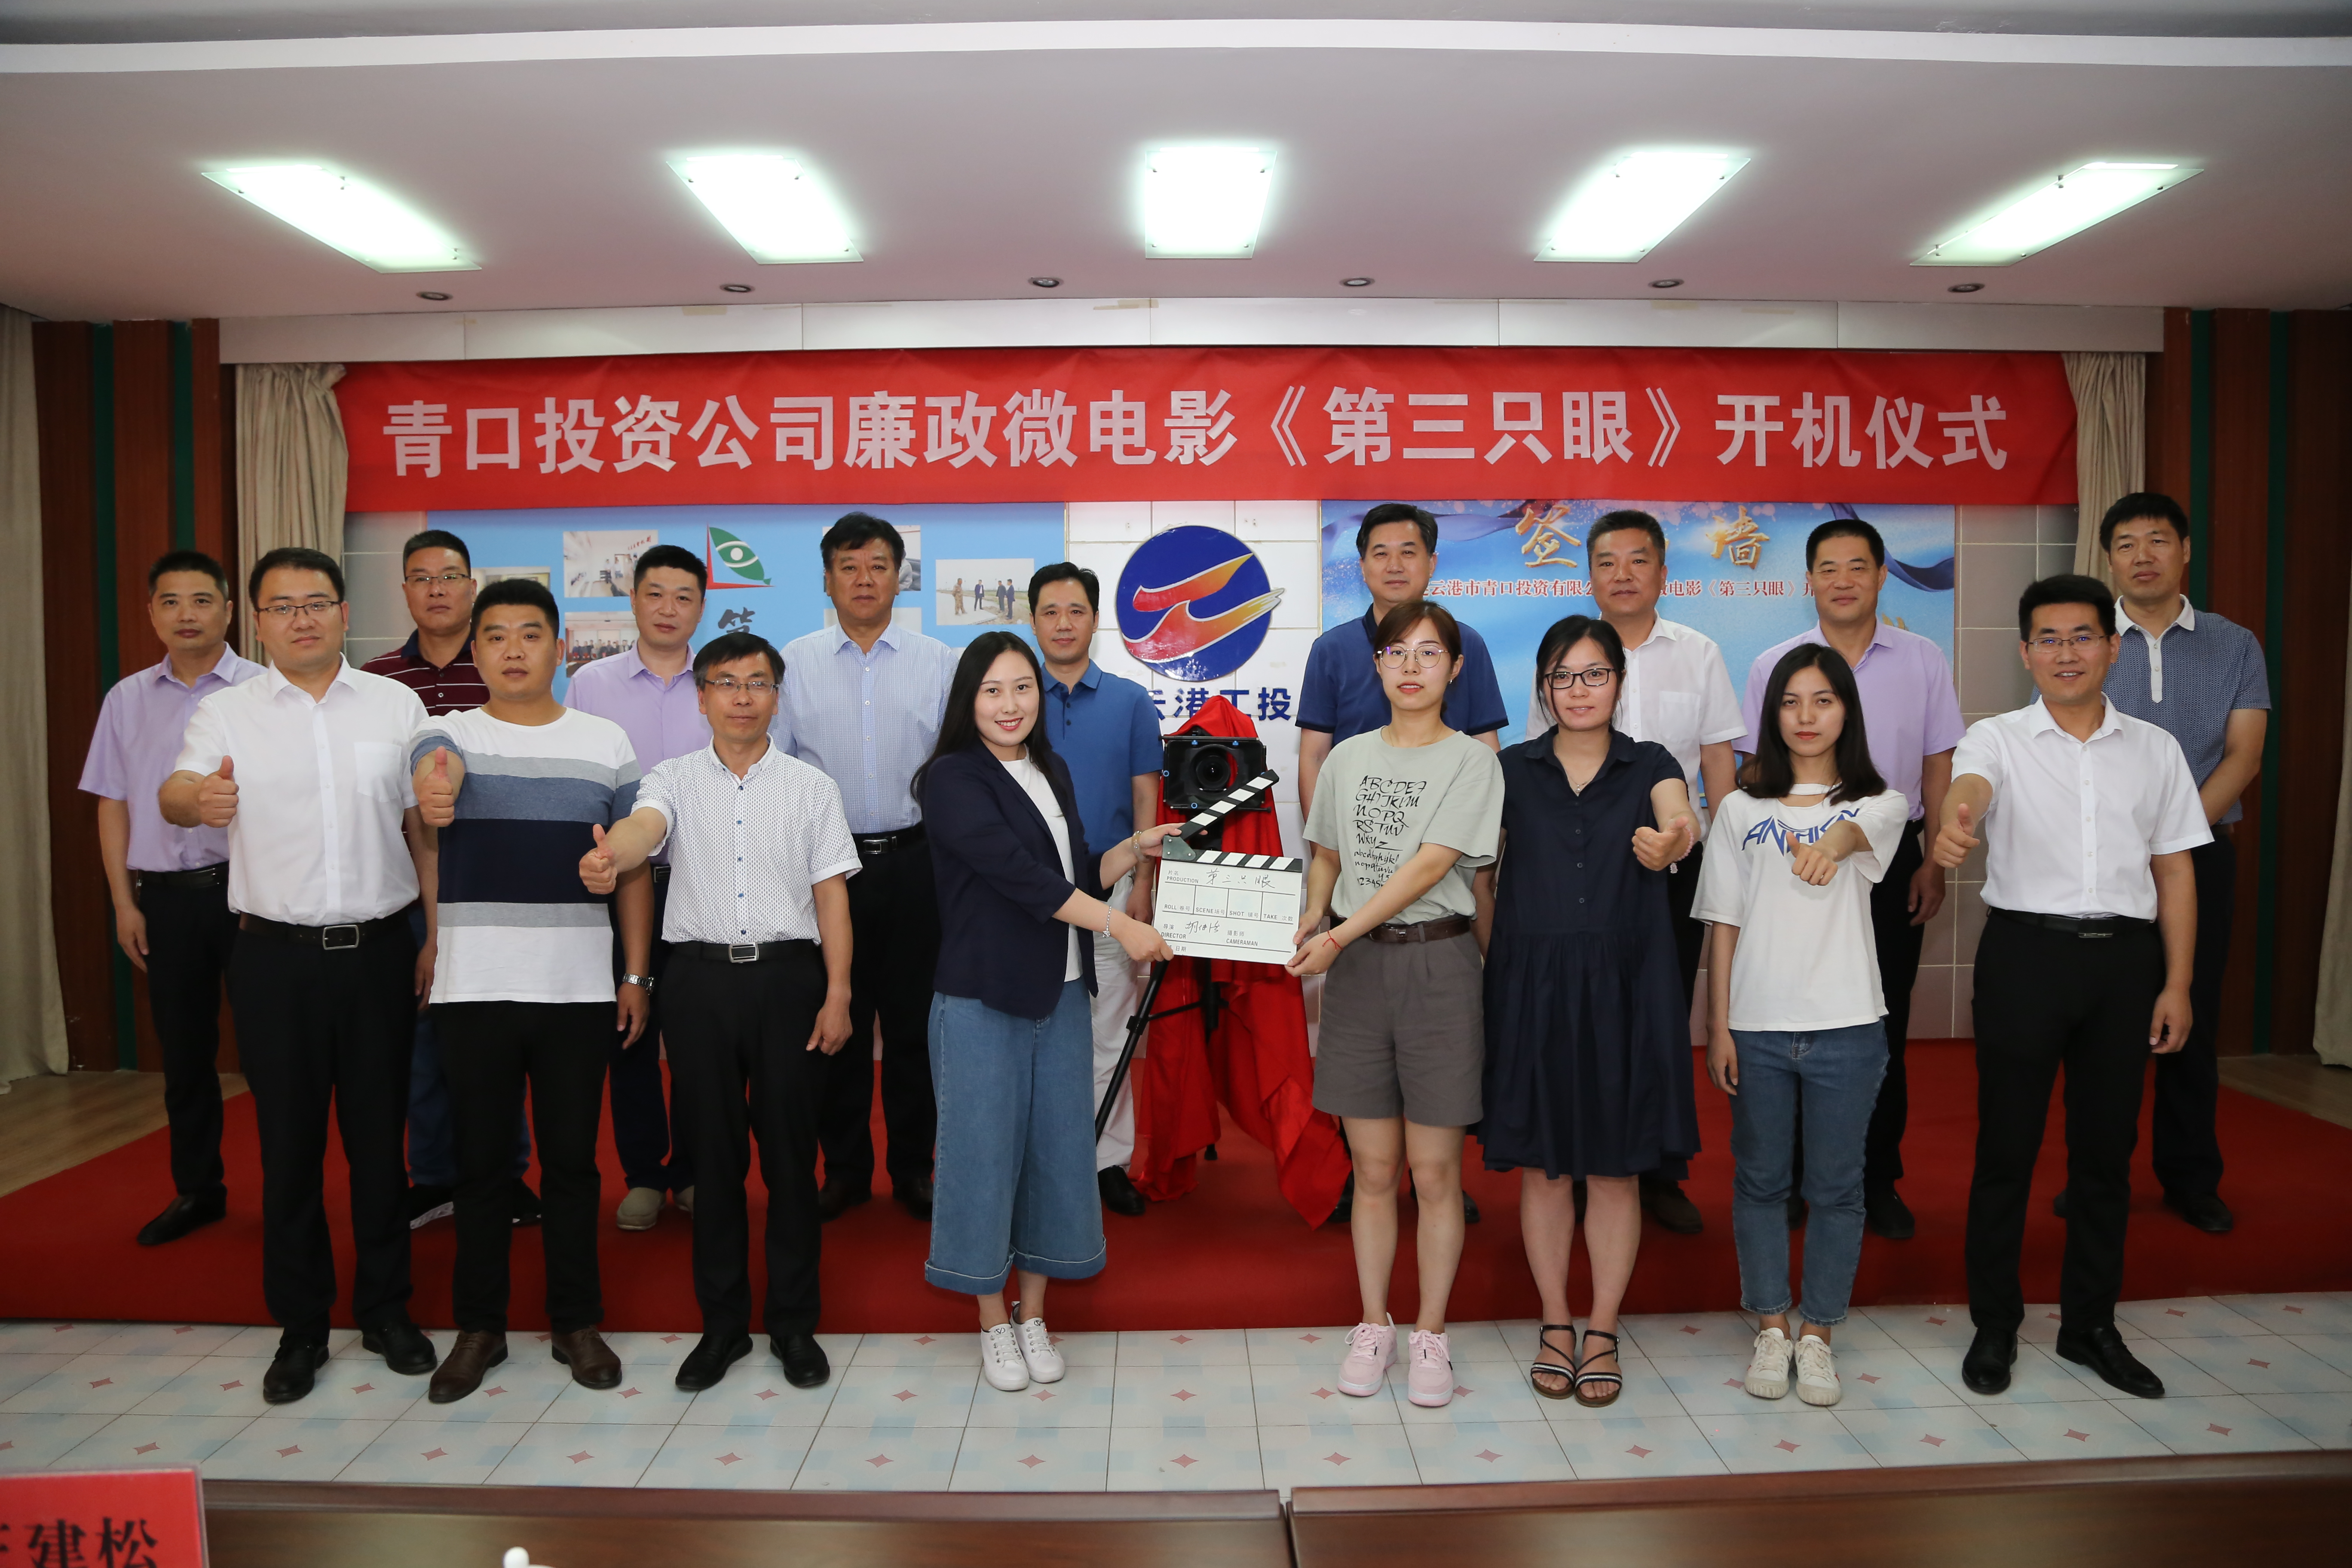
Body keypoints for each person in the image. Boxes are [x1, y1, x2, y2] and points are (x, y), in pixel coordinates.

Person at [159, 546, 439, 1403]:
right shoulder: (227, 713)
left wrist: (437, 934)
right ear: (258, 623)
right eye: (282, 607)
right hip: (273, 960)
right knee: (289, 1149)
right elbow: (176, 790)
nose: (301, 619)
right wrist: (196, 801)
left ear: (345, 614)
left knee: (379, 1145)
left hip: (381, 952)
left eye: (316, 603)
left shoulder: (395, 704)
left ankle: (386, 1310)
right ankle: (302, 1327)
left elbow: (422, 830)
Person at [1936, 575, 2207, 1402]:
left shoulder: (2155, 749)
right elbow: (1971, 786)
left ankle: (2091, 1325)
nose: (2066, 653)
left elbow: (2175, 870)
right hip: (2026, 957)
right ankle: (1995, 1323)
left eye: (2082, 636)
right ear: (2025, 652)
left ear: (2112, 648)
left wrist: (2178, 983)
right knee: (2006, 1150)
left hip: (2126, 966)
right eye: (2048, 639)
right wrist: (1958, 817)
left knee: (2105, 1155)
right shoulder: (1997, 738)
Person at [580, 630, 856, 1392]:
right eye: (726, 683)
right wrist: (614, 854)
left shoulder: (812, 788)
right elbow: (645, 829)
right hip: (698, 985)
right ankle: (724, 1326)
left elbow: (832, 895)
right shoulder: (671, 777)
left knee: (792, 1162)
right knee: (713, 1159)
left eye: (757, 682)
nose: (742, 697)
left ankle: (794, 1324)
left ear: (777, 697)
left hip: (790, 981)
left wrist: (838, 991)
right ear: (701, 697)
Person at [917, 631, 1181, 1392]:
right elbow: (1021, 880)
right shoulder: (950, 779)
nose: (1011, 705)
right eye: (993, 690)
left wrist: (1135, 847)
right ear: (969, 700)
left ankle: (1032, 1313)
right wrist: (1122, 926)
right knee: (981, 1161)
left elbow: (1074, 875)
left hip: (1062, 994)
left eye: (1023, 688)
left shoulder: (1050, 769)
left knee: (1057, 1158)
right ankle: (991, 1321)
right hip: (983, 999)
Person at [407, 579, 646, 1403]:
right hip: (475, 990)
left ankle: (576, 1322)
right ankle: (481, 1328)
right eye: (497, 635)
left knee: (574, 1166)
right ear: (475, 649)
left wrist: (635, 972)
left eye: (531, 634)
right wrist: (434, 792)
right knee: (481, 1169)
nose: (514, 650)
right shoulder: (447, 733)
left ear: (560, 648)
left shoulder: (605, 741)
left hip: (576, 991)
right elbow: (429, 781)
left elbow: (632, 867)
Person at [1475, 614, 1695, 1409]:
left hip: (1625, 985)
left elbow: (1680, 818)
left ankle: (1602, 1327)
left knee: (1614, 1166)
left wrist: (1673, 842)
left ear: (1618, 684)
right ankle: (1555, 1321)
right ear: (1543, 688)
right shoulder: (1509, 769)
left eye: (1595, 674)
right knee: (1544, 1167)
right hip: (1531, 984)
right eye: (1563, 676)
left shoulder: (1651, 762)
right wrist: (1504, 962)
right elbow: (1481, 879)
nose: (1579, 690)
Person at [1289, 600, 1503, 1410]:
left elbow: (1429, 867)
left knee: (1435, 1172)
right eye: (1396, 653)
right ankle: (1373, 1322)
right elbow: (1326, 854)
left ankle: (1431, 1334)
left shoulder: (1473, 762)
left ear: (1455, 667)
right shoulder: (1346, 758)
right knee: (1374, 1170)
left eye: (1429, 653)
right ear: (1376, 665)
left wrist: (1338, 935)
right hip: (1357, 976)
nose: (1411, 667)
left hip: (1438, 966)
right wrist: (1315, 914)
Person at [1696, 645, 1909, 1410]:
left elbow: (1857, 838)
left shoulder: (1879, 801)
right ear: (1772, 714)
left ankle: (1818, 1333)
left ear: (1847, 710)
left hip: (1847, 1026)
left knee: (1837, 1187)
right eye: (1791, 702)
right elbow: (1722, 922)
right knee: (1760, 1181)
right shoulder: (1739, 810)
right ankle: (1771, 1323)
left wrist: (1830, 844)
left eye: (1823, 700)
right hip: (1756, 1026)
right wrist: (1719, 1026)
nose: (1807, 716)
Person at [1738, 518, 1963, 1240]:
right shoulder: (1775, 663)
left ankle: (1875, 1178)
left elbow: (1938, 764)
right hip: (1792, 858)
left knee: (1880, 1022)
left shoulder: (1923, 658)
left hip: (1891, 857)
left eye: (1858, 567)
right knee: (1794, 1022)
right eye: (1828, 569)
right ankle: (1795, 1178)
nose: (1843, 581)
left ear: (1882, 575)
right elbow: (1754, 768)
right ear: (1808, 581)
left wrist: (1932, 862)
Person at [1518, 510, 1740, 1237]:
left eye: (1637, 560)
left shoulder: (1699, 652)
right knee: (1578, 1025)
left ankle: (1655, 1172)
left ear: (1663, 572)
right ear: (1589, 575)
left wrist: (1709, 852)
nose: (1622, 574)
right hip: (1571, 872)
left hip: (1666, 868)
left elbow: (1715, 763)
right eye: (1607, 562)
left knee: (1658, 1017)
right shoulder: (1563, 659)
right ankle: (1583, 1168)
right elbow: (1537, 770)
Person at [1298, 503, 1508, 1226]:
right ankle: (1378, 1178)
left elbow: (1484, 748)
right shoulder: (1334, 653)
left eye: (1408, 550)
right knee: (1374, 1157)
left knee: (1435, 1154)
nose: (1394, 563)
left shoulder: (1466, 646)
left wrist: (1338, 925)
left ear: (1432, 563)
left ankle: (1435, 1175)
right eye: (1379, 551)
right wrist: (1325, 882)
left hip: (1438, 900)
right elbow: (1316, 759)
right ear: (1360, 564)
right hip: (1356, 912)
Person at [2088, 493, 2268, 1234]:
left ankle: (2192, 1180)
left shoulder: (2235, 644)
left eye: (2158, 540)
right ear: (2109, 560)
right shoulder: (2089, 640)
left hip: (2202, 853)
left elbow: (2245, 755)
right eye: (2127, 544)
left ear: (2185, 550)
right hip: (2106, 859)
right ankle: (2098, 1180)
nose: (2143, 556)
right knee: (2105, 1029)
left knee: (2191, 1014)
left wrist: (2176, 833)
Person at [776, 513, 957, 1222]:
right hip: (829, 871)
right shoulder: (793, 663)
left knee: (914, 1028)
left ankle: (914, 1169)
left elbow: (958, 767)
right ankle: (846, 1169)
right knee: (836, 1025)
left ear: (899, 578)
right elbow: (779, 769)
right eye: (848, 567)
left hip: (916, 864)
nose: (863, 580)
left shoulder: (939, 663)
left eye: (878, 566)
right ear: (827, 580)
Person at [81, 550, 262, 1246]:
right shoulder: (126, 699)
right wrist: (125, 904)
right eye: (171, 601)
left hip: (252, 899)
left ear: (229, 610)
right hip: (166, 901)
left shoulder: (264, 690)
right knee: (185, 1057)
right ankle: (198, 1190)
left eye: (202, 600)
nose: (187, 615)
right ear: (152, 613)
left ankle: (289, 1193)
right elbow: (112, 804)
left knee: (272, 1056)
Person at [361, 529, 535, 1231]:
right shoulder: (373, 684)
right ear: (405, 590)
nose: (437, 589)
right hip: (403, 892)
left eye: (450, 576)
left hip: (497, 886)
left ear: (472, 585)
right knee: (423, 1041)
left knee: (503, 1036)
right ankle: (433, 1175)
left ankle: (507, 1175)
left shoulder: (506, 668)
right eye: (422, 577)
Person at [567, 542, 712, 1232]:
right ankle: (645, 1174)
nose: (668, 609)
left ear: (701, 608)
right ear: (632, 600)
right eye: (655, 594)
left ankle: (694, 1170)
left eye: (684, 597)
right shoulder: (591, 685)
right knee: (627, 1030)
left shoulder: (720, 682)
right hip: (621, 882)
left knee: (697, 1036)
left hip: (702, 884)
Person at [1028, 562, 1165, 1218]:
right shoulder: (1012, 699)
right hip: (1028, 893)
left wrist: (1143, 884)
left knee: (1110, 1033)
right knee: (1036, 1035)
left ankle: (1107, 1161)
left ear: (1094, 620)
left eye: (1076, 611)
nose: (1063, 623)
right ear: (1032, 621)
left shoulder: (1131, 702)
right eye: (1050, 612)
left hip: (1111, 891)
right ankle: (1042, 1164)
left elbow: (1145, 798)